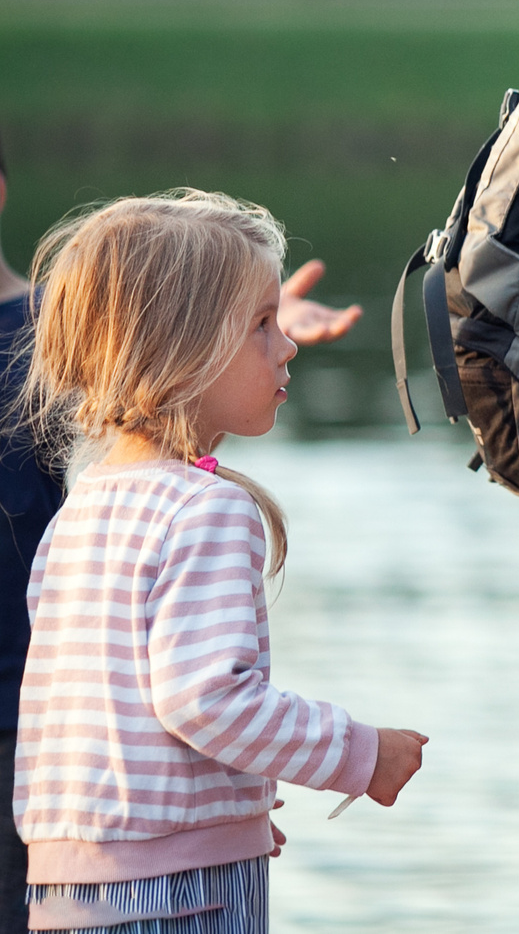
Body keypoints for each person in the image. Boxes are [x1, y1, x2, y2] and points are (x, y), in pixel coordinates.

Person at [12, 190, 427, 934]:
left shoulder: (78, 510)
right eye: (260, 326)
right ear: (183, 353)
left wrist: (226, 814)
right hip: (175, 897)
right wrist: (363, 754)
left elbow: (90, 719)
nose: (287, 344)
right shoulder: (206, 509)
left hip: (62, 887)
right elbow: (207, 700)